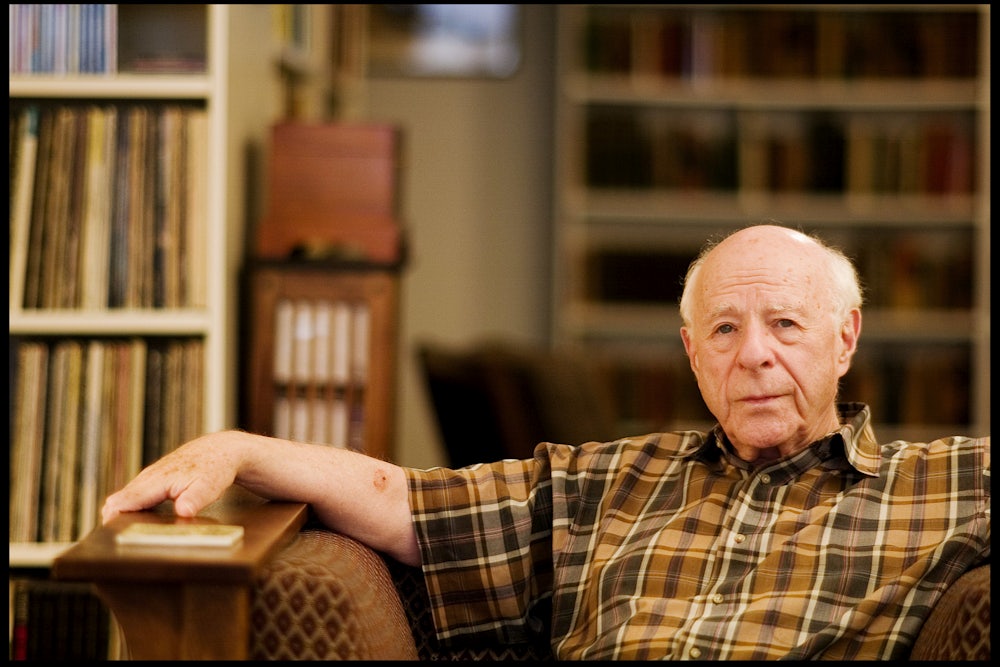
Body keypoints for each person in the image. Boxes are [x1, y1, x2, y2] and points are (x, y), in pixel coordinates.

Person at [102, 224, 989, 660]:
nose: (752, 353)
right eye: (723, 329)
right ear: (691, 352)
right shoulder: (606, 481)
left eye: (786, 324)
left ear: (845, 339)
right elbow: (407, 502)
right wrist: (236, 450)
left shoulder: (948, 483)